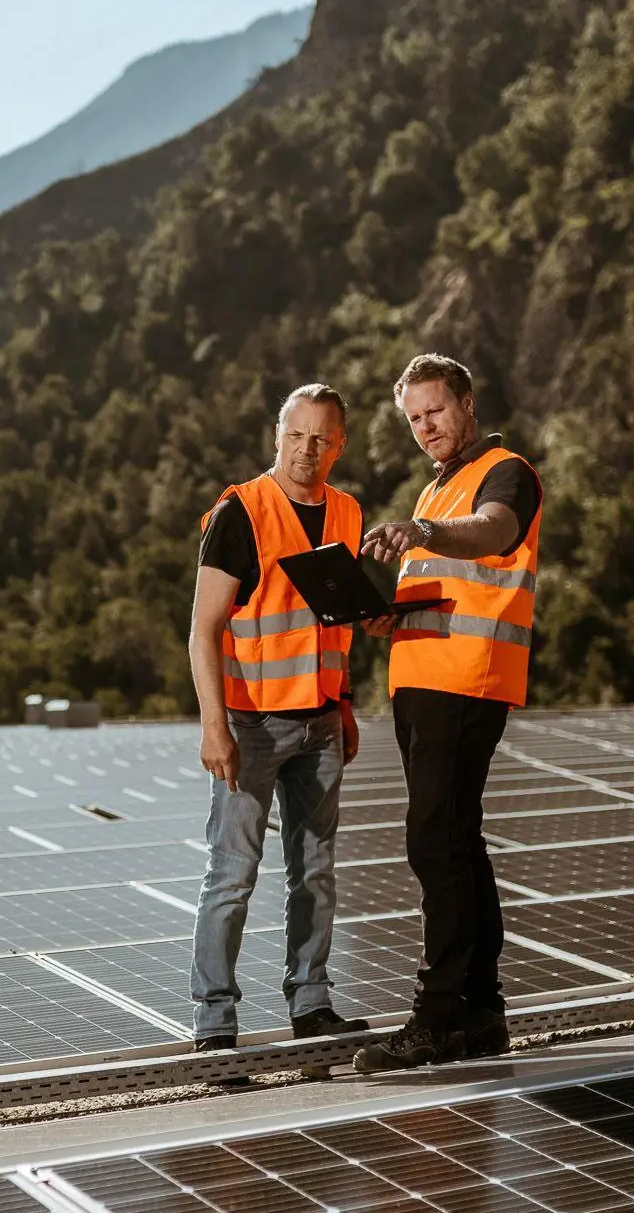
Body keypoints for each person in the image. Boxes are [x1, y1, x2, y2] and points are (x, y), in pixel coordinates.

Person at [351, 353, 543, 1072]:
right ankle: (481, 1013)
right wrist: (391, 617)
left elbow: (492, 532)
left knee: (434, 843)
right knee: (456, 844)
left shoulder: (504, 473)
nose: (424, 427)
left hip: (466, 683)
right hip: (425, 681)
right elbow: (447, 593)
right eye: (413, 419)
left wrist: (427, 534)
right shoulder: (433, 493)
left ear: (465, 402)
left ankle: (434, 1020)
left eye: (433, 410)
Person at [186, 384, 374, 1054]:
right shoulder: (240, 512)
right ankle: (215, 1024)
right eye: (296, 435)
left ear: (339, 445)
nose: (306, 449)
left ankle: (311, 1005)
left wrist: (344, 705)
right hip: (251, 726)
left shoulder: (348, 513)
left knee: (314, 872)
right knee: (232, 875)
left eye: (321, 438)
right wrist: (214, 725)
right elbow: (203, 629)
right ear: (277, 435)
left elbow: (337, 618)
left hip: (321, 722)